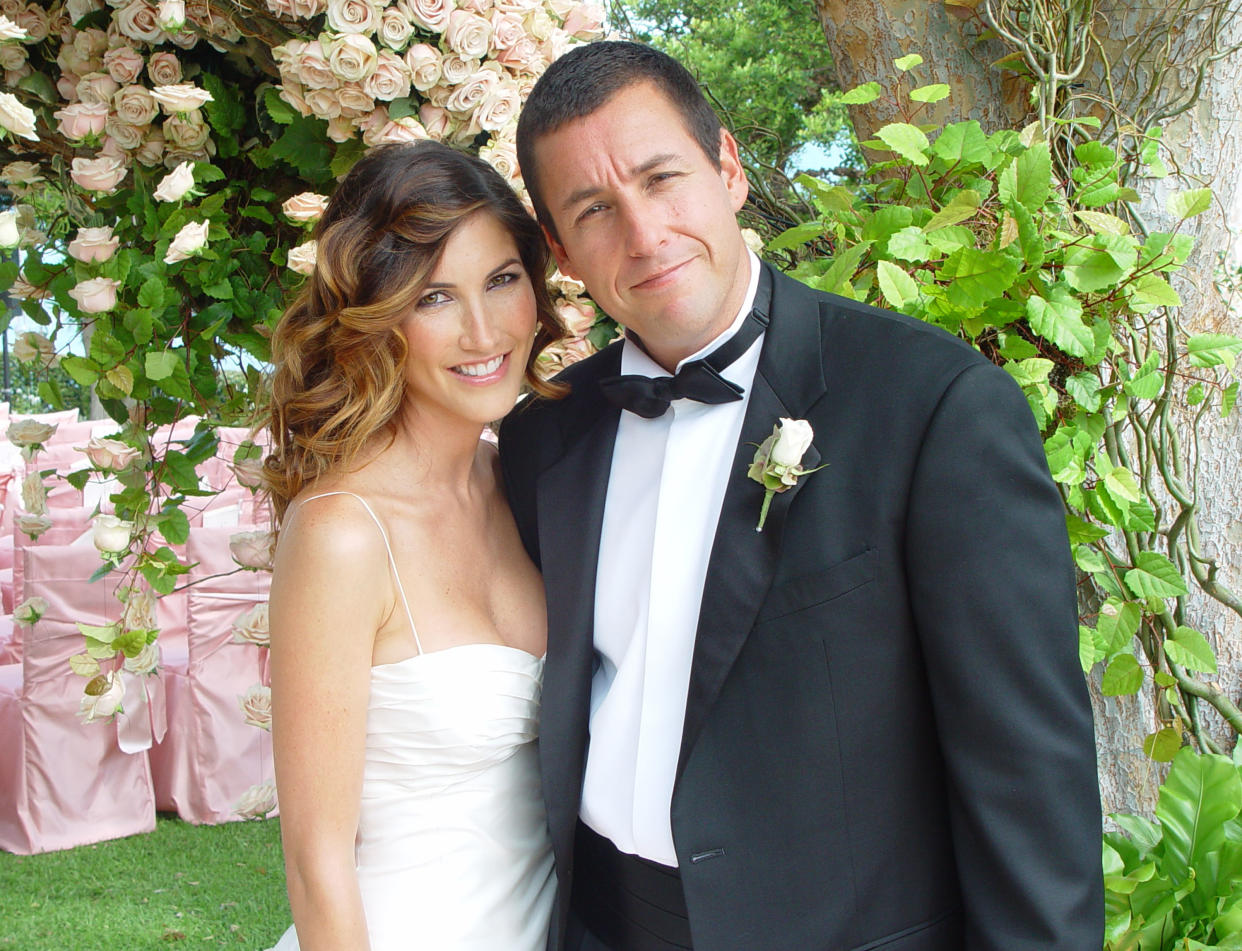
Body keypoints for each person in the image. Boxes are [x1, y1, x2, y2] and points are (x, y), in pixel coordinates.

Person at [499, 40, 1103, 951]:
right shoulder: (545, 435)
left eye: (663, 179)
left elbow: (1030, 778)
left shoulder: (933, 407)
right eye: (594, 210)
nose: (644, 233)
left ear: (729, 169)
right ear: (560, 249)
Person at [262, 140, 563, 951]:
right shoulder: (341, 533)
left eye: (502, 280)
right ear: (374, 316)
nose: (483, 329)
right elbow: (316, 860)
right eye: (434, 297)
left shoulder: (527, 483)